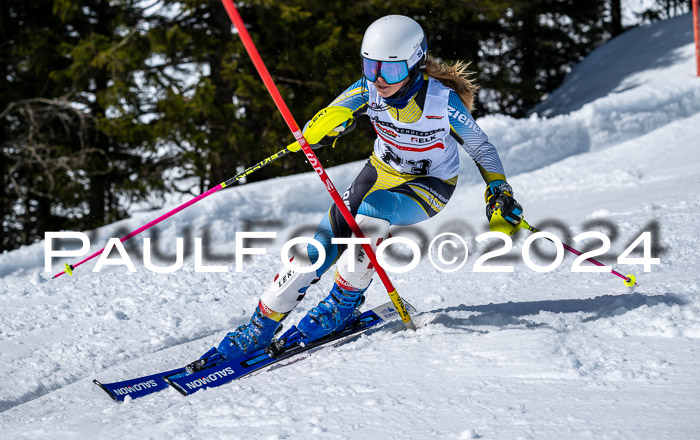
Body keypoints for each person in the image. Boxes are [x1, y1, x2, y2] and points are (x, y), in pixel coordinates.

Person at [188, 14, 523, 371]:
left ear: (413, 65)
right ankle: (259, 326)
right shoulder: (367, 88)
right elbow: (330, 115)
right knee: (318, 244)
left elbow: (482, 148)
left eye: (390, 71)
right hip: (380, 171)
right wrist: (324, 127)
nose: (379, 80)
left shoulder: (443, 102)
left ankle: (341, 304)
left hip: (430, 185)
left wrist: (499, 191)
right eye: (370, 66)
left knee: (370, 216)